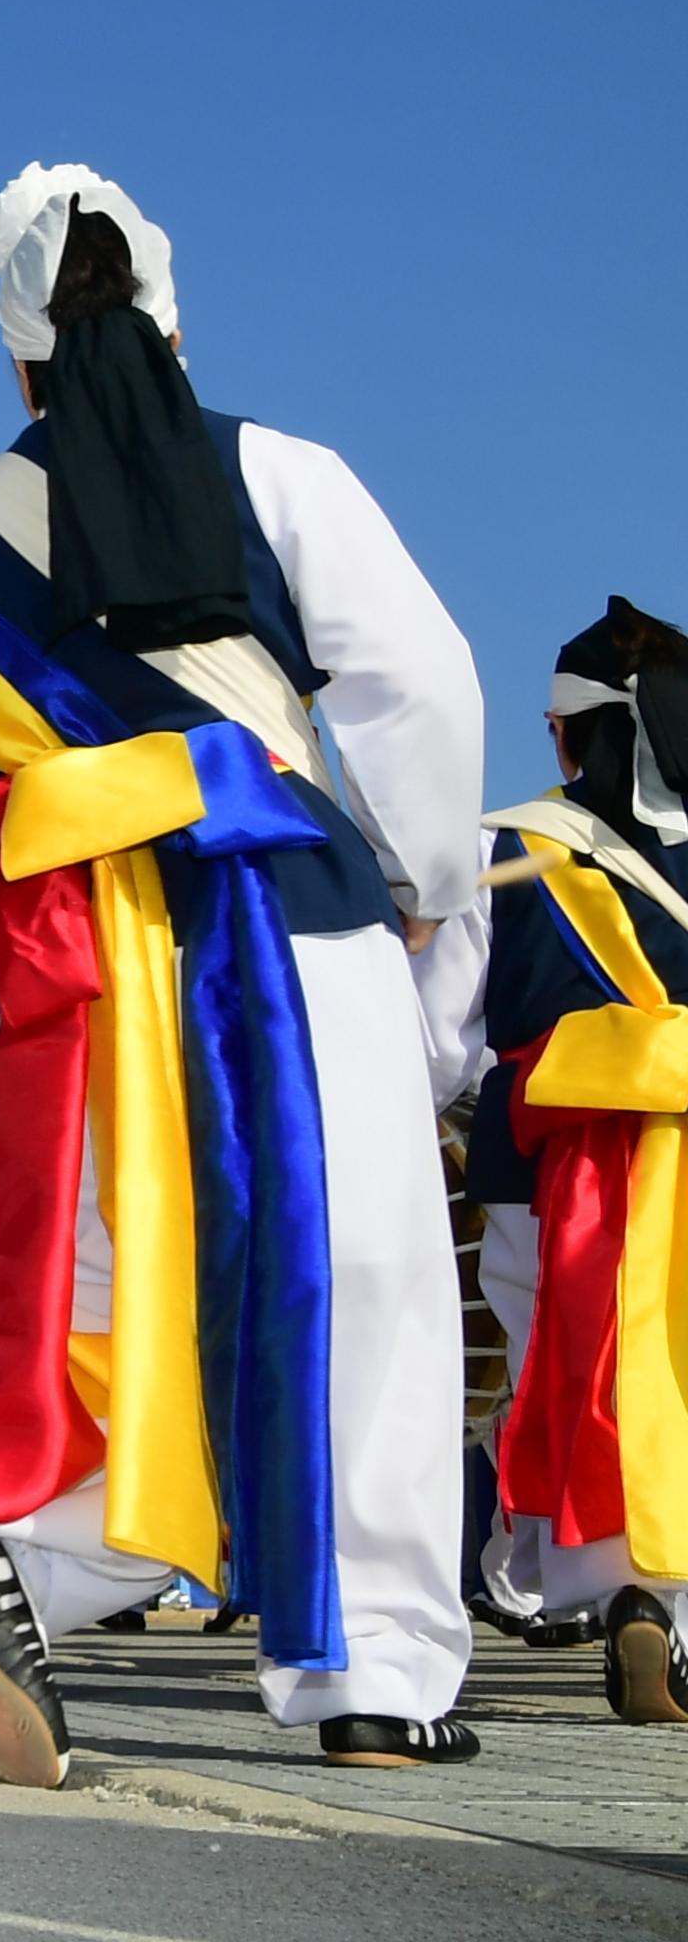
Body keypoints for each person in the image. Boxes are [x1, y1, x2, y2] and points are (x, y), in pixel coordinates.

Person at [0, 164, 483, 1783]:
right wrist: (427, 901)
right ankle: (372, 1675)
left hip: (89, 969)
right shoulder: (275, 470)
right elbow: (420, 687)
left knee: (135, 1307)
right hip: (292, 919)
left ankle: (24, 1549)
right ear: (174, 326)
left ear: (15, 365)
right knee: (368, 1294)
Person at [414, 595, 688, 1724]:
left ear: (568, 734)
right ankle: (667, 1608)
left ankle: (599, 1583)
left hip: (541, 1165)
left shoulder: (507, 844)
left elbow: (435, 1036)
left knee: (560, 1378)